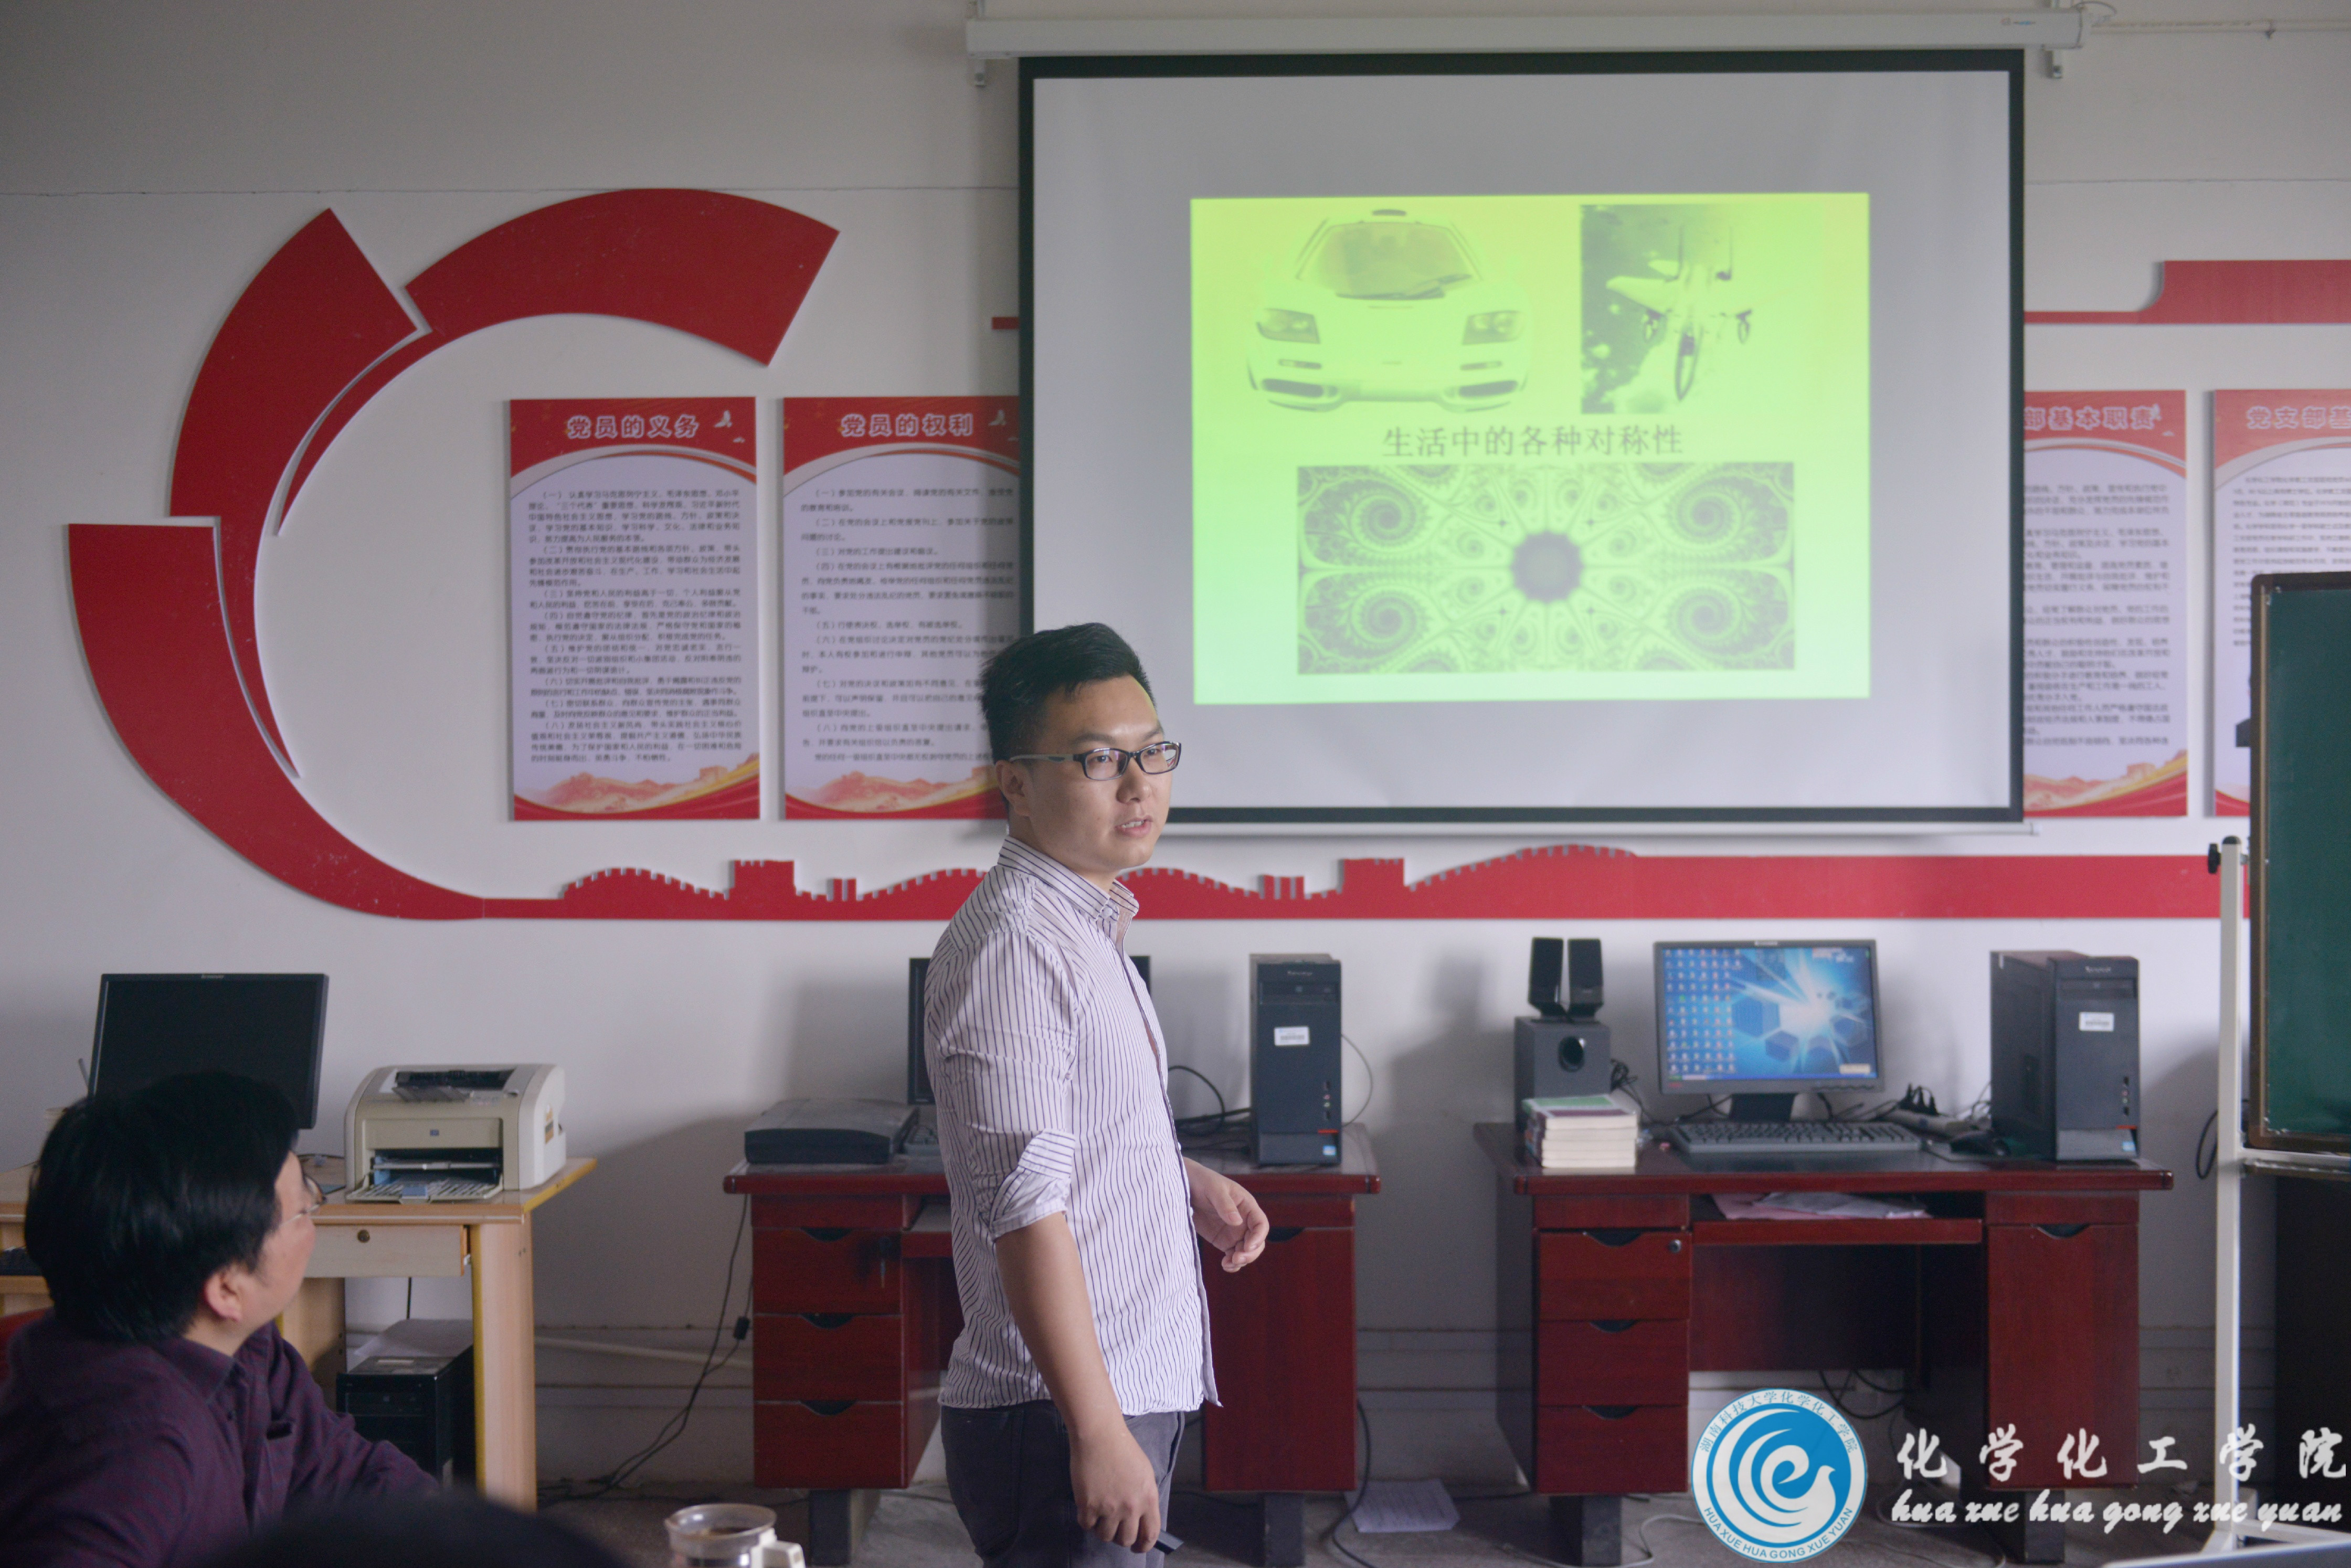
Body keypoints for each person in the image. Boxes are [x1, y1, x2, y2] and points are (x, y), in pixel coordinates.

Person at [926, 622, 1271, 1568]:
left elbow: (1073, 1130)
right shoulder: (1015, 945)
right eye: (1097, 759)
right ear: (1015, 781)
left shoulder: (1084, 921)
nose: (1139, 785)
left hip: (1107, 1389)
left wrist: (1179, 1177)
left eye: (1152, 752)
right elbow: (1025, 1205)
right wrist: (1097, 1428)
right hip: (1060, 1407)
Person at [0, 1072, 431, 1567]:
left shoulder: (244, 1349)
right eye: (304, 1208)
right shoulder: (132, 1448)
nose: (315, 1221)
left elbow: (351, 1478)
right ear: (227, 1288)